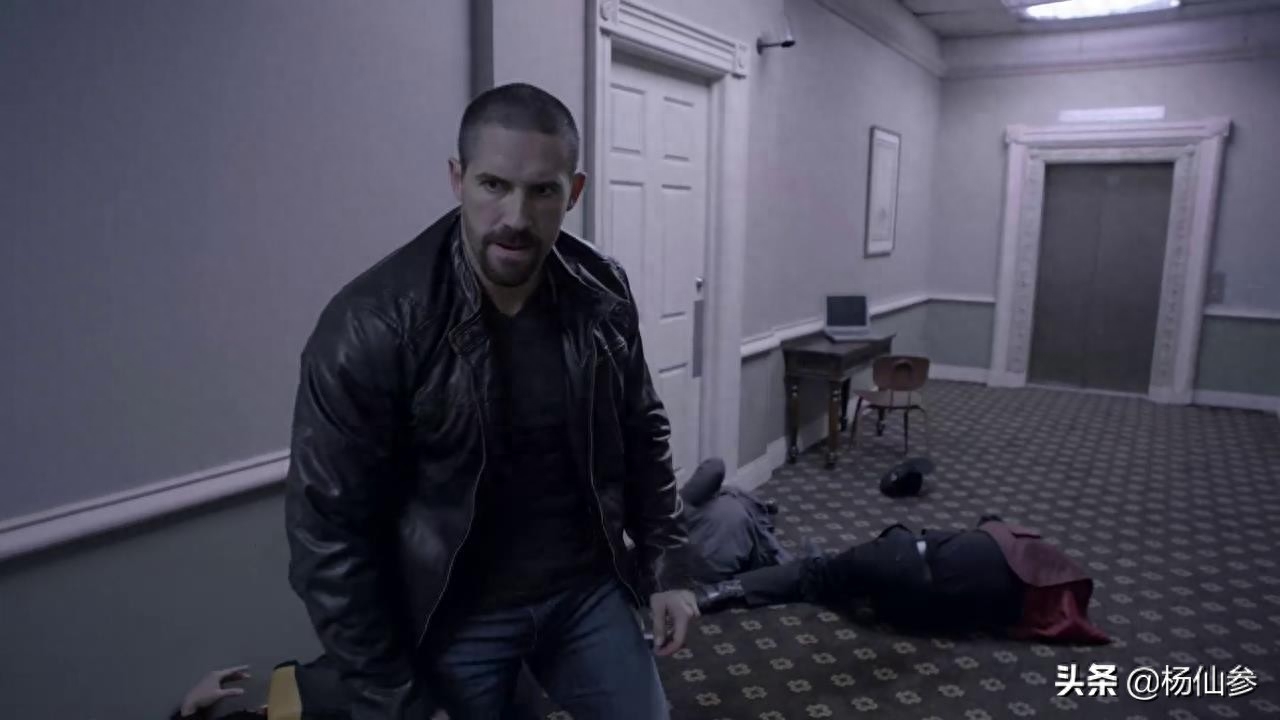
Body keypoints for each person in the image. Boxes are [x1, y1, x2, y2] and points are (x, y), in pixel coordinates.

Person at [284, 82, 700, 720]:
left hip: (584, 592)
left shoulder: (602, 292)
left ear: (574, 192)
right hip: (454, 614)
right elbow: (327, 534)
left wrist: (666, 569)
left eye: (542, 191)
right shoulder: (372, 324)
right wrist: (395, 700)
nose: (516, 217)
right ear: (458, 179)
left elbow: (642, 428)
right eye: (493, 185)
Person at [692, 515, 1111, 644]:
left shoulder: (998, 539)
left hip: (899, 560)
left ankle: (718, 592)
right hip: (915, 613)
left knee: (815, 573)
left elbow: (967, 531)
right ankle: (839, 583)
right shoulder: (1013, 605)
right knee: (852, 584)